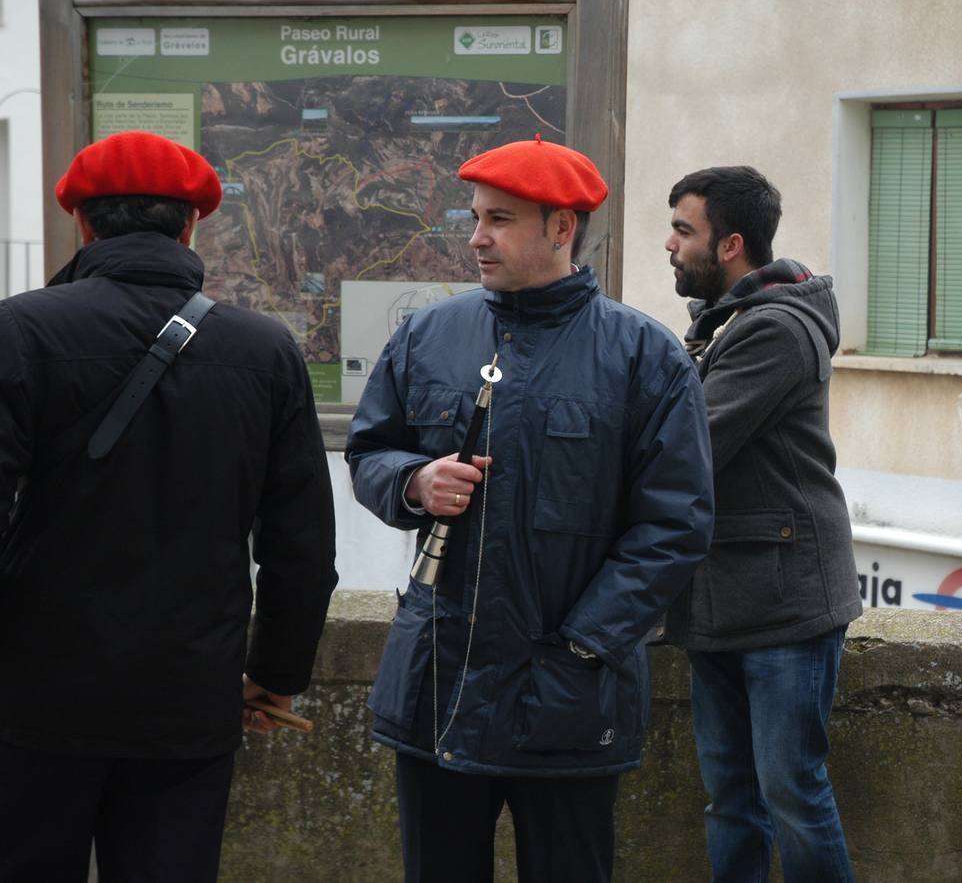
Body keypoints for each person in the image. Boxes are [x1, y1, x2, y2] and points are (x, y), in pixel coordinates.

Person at [346, 136, 715, 883]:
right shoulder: (429, 332)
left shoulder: (642, 354)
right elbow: (371, 451)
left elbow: (674, 523)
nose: (477, 238)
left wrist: (581, 648)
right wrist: (415, 481)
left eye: (500, 219)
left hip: (568, 700)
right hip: (438, 685)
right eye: (475, 217)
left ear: (561, 229)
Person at [0, 130, 338, 882]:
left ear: (82, 225)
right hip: (189, 699)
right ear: (192, 226)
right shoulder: (265, 349)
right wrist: (274, 672)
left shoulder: (19, 330)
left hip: (36, 698)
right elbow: (301, 545)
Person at [663, 165, 860, 883]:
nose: (669, 244)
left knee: (791, 794)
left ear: (729, 245)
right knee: (730, 798)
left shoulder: (774, 328)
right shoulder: (727, 322)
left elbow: (690, 447)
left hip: (784, 601)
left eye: (684, 230)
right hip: (721, 594)